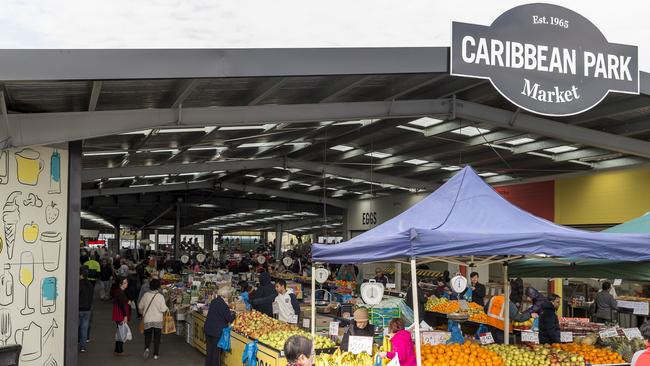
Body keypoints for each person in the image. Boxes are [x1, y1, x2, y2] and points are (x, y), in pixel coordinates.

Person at [204, 286, 236, 366]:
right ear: (226, 296)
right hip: (216, 332)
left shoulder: (214, 301)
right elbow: (230, 319)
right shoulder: (223, 305)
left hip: (208, 329)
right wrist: (235, 314)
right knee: (216, 354)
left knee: (209, 352)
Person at [138, 278, 168, 360]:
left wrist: (142, 312)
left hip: (148, 320)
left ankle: (147, 348)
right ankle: (155, 354)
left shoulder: (146, 295)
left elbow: (140, 307)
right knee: (157, 338)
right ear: (158, 287)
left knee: (147, 336)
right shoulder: (160, 297)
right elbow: (163, 309)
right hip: (158, 320)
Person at [112, 276, 131, 356]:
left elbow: (122, 303)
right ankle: (119, 350)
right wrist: (125, 316)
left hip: (118, 314)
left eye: (126, 282)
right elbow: (122, 305)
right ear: (120, 284)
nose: (127, 284)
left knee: (120, 331)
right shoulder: (120, 292)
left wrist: (127, 302)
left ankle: (117, 350)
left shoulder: (119, 291)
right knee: (121, 332)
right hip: (120, 315)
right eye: (125, 283)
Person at [79, 266, 94, 353]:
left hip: (79, 309)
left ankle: (77, 341)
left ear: (81, 275)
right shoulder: (90, 284)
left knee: (77, 326)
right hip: (88, 309)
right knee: (84, 328)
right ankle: (83, 346)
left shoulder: (79, 284)